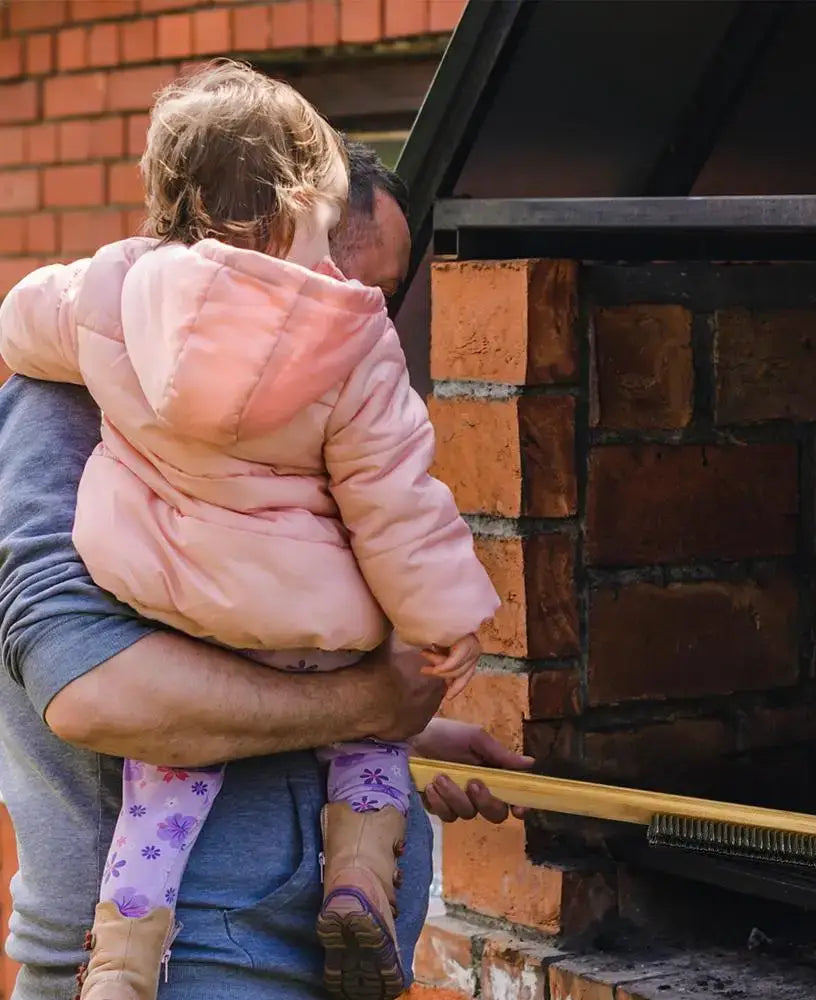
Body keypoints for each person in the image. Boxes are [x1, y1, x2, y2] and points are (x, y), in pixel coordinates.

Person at [0, 95, 527, 1000]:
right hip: (193, 966)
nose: (356, 308)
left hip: (292, 961)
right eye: (352, 267)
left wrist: (410, 738)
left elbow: (266, 649)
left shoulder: (126, 326)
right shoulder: (61, 404)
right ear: (283, 222)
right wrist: (375, 699)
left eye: (388, 300)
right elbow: (92, 692)